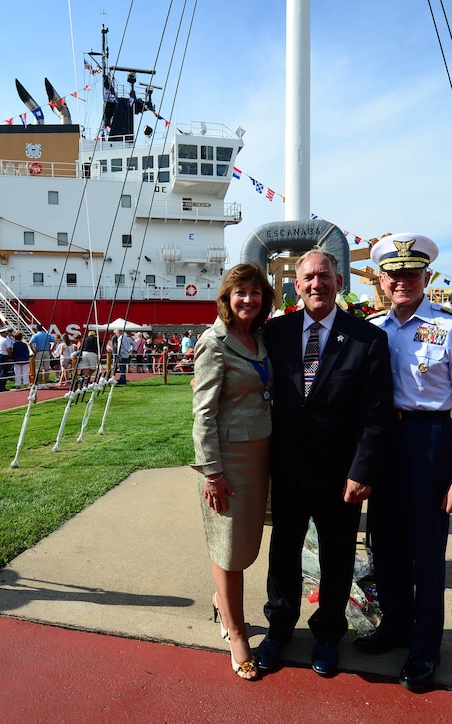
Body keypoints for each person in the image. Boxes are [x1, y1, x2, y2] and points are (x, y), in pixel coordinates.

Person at [354, 233, 452, 694]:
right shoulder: (373, 328)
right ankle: (394, 626)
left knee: (427, 552)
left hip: (430, 439)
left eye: (412, 273)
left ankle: (425, 646)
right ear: (383, 281)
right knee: (384, 542)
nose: (403, 281)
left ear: (426, 276)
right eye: (395, 274)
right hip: (385, 441)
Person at [256, 248, 393, 679]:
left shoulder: (367, 338)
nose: (317, 284)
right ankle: (278, 629)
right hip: (289, 470)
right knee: (283, 553)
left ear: (339, 281)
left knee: (336, 556)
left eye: (325, 276)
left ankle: (328, 635)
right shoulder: (274, 333)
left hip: (340, 474)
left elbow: (375, 413)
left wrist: (362, 470)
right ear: (297, 286)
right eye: (308, 278)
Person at [191, 263, 276, 680]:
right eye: (240, 292)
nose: (248, 299)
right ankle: (237, 633)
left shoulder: (258, 338)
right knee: (228, 548)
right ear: (226, 297)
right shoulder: (214, 342)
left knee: (245, 544)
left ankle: (220, 602)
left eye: (256, 292)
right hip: (229, 461)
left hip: (262, 456)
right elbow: (203, 413)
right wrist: (211, 472)